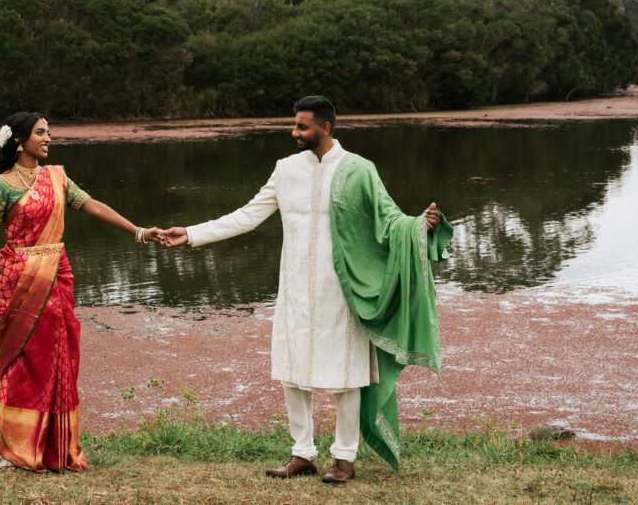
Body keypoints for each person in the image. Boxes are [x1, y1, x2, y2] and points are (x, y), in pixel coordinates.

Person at [161, 96, 452, 483]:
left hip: (343, 292)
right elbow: (248, 215)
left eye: (302, 126)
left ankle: (344, 459)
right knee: (293, 372)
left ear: (326, 128)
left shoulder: (359, 170)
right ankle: (302, 454)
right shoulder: (285, 170)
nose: (294, 132)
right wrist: (192, 233)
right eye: (294, 125)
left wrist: (421, 226)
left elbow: (391, 220)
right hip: (295, 287)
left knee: (346, 375)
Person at [0, 111, 163, 472]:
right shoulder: (0, 186)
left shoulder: (57, 177)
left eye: (49, 133)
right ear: (18, 140)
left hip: (56, 276)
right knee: (23, 362)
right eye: (40, 133)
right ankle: (17, 449)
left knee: (58, 357)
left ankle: (56, 448)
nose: (48, 139)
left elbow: (93, 205)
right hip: (18, 281)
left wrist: (139, 231)